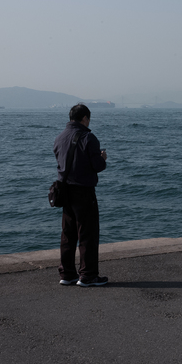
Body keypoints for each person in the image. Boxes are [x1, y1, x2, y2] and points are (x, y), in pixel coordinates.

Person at [53, 103, 109, 287]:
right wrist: (102, 158)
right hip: (83, 191)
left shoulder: (60, 138)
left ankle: (67, 274)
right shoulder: (88, 137)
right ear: (84, 118)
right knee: (87, 234)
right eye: (88, 119)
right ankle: (87, 276)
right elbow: (97, 166)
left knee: (67, 234)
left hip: (64, 191)